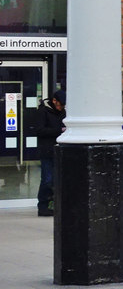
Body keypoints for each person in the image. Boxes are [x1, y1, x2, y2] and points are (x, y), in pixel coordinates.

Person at [35, 89, 65, 217]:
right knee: (47, 179)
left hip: (59, 150)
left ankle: (54, 204)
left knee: (57, 179)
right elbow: (40, 130)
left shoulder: (62, 112)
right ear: (54, 101)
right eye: (59, 105)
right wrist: (59, 130)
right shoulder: (43, 111)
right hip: (47, 150)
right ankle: (43, 206)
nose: (61, 108)